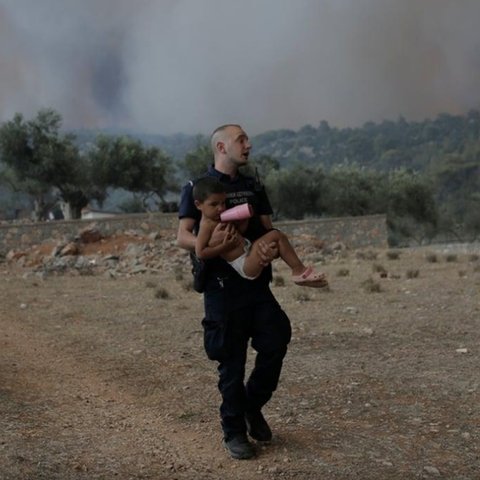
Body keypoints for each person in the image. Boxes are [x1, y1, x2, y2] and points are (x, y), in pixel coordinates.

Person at [177, 124, 293, 460]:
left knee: (276, 339)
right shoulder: (198, 188)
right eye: (241, 140)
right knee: (231, 358)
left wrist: (268, 249)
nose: (249, 144)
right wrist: (210, 242)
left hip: (256, 282)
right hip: (222, 288)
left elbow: (268, 230)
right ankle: (234, 431)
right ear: (221, 147)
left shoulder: (253, 186)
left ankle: (250, 405)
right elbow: (183, 235)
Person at [192, 176, 328, 287]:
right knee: (276, 235)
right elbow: (201, 252)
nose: (221, 208)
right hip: (244, 264)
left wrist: (243, 221)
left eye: (223, 203)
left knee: (277, 239)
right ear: (198, 205)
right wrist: (224, 247)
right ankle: (299, 271)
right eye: (214, 204)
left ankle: (303, 275)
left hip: (249, 252)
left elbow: (239, 232)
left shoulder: (219, 218)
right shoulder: (206, 225)